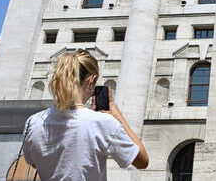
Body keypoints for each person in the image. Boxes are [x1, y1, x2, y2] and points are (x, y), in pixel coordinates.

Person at [22, 49, 149, 180]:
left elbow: (36, 163)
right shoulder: (103, 122)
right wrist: (119, 118)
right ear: (91, 81)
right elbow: (142, 161)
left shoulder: (33, 121)